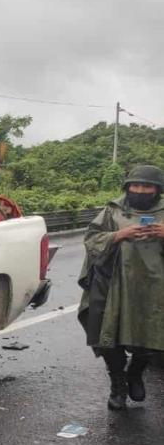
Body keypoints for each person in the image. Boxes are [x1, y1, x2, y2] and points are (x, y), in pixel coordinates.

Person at [78, 164, 164, 409]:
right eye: (135, 185)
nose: (140, 190)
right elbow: (91, 239)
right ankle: (117, 383)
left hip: (154, 287)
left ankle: (135, 372)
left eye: (147, 186)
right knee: (107, 338)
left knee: (150, 336)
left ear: (157, 189)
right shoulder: (112, 210)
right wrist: (119, 235)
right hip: (112, 284)